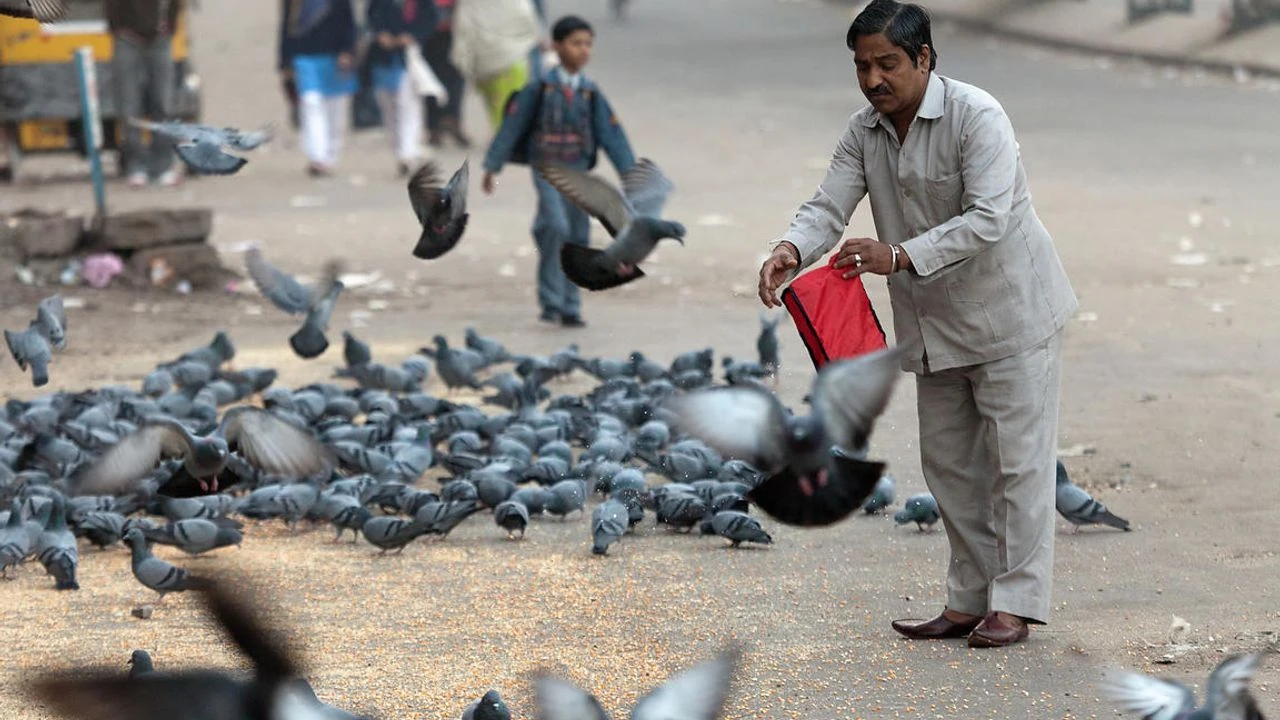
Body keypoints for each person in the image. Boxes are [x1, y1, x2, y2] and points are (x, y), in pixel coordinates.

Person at [758, 0, 1078, 648]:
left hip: (1011, 317)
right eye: (862, 66)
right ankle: (967, 600)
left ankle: (1015, 604)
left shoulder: (977, 117)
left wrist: (897, 255)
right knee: (949, 466)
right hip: (934, 328)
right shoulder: (863, 131)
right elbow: (829, 203)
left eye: (887, 64)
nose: (874, 79)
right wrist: (791, 249)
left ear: (924, 59)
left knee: (1016, 466)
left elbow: (989, 217)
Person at [481, 14, 636, 328]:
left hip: (579, 174)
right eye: (576, 43)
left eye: (588, 44)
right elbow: (512, 127)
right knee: (556, 226)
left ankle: (570, 305)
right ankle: (551, 300)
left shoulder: (590, 92)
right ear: (557, 46)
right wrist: (492, 166)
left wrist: (631, 175)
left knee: (577, 235)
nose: (583, 50)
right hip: (548, 171)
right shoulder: (538, 88)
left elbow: (611, 134)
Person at [106, 0, 183, 188]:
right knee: (129, 107)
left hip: (160, 40)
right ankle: (136, 167)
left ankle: (163, 167)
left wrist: (170, 26)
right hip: (128, 40)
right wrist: (117, 28)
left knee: (163, 103)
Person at [279, 0, 359, 177]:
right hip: (304, 58)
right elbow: (286, 25)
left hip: (334, 58)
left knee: (335, 109)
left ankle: (330, 155)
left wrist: (347, 50)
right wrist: (284, 61)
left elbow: (349, 22)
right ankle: (317, 157)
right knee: (311, 103)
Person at [366, 0, 439, 176]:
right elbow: (372, 15)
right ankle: (400, 148)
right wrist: (381, 34)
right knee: (388, 106)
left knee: (408, 104)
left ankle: (407, 153)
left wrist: (413, 36)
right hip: (384, 58)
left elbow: (430, 19)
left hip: (411, 57)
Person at [449, 0, 540, 132]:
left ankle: (504, 143)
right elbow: (527, 19)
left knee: (499, 109)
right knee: (514, 109)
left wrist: (464, 57)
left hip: (484, 60)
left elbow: (464, 26)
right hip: (513, 57)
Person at [421, 0, 470, 148]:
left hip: (456, 28)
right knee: (430, 78)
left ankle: (452, 119)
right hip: (428, 28)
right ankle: (434, 125)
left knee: (457, 77)